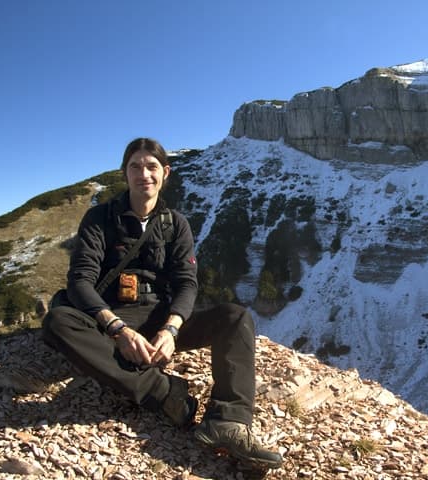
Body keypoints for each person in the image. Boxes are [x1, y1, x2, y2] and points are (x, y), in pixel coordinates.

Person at [42, 137, 283, 470]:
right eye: (135, 167)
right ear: (124, 173)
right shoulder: (99, 219)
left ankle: (228, 420)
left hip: (158, 317)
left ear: (165, 172)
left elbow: (187, 283)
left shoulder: (175, 224)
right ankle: (162, 392)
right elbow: (80, 280)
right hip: (111, 316)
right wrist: (117, 330)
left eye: (152, 166)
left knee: (235, 316)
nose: (145, 174)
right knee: (58, 322)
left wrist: (171, 328)